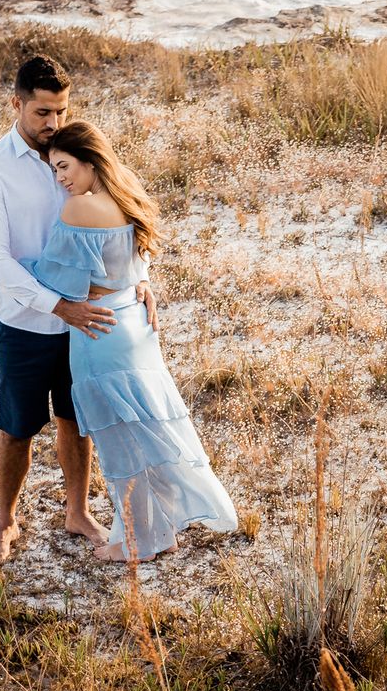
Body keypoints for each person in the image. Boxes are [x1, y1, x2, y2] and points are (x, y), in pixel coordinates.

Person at [0, 54, 154, 564]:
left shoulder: (76, 153)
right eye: (43, 113)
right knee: (17, 425)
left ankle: (77, 510)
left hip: (85, 326)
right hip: (25, 323)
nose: (53, 124)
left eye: (61, 112)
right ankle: (5, 520)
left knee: (77, 418)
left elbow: (122, 219)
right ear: (17, 105)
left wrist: (140, 278)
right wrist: (58, 306)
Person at [23, 120, 237, 562]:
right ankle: (158, 530)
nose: (61, 178)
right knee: (147, 429)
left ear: (88, 159)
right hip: (136, 326)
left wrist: (12, 263)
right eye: (54, 171)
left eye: (64, 166)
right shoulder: (127, 195)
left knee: (120, 442)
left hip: (99, 333)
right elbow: (136, 264)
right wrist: (141, 283)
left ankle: (134, 542)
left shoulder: (79, 209)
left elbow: (55, 278)